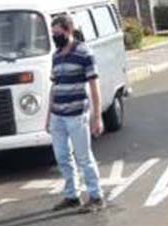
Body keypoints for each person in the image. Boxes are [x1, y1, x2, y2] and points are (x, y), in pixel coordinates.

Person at [48, 15, 104, 212]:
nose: (55, 37)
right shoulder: (56, 55)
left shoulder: (84, 53)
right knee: (62, 157)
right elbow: (54, 87)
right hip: (57, 116)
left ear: (69, 30)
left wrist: (97, 117)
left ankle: (96, 196)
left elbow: (94, 86)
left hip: (76, 114)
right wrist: (48, 116)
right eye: (53, 33)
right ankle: (72, 195)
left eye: (58, 33)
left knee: (83, 157)